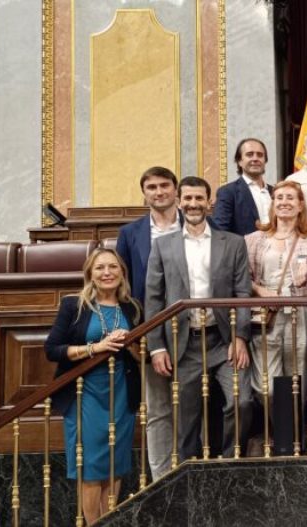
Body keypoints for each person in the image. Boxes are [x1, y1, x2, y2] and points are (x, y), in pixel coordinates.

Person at [145, 176, 253, 461]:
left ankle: (230, 463)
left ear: (209, 203)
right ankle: (190, 475)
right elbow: (153, 299)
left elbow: (243, 293)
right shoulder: (163, 246)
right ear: (179, 203)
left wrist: (240, 337)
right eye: (188, 199)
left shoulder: (232, 242)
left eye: (199, 199)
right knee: (186, 421)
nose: (193, 204)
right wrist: (156, 347)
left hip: (223, 340)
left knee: (241, 401)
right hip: (183, 345)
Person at [244, 181, 307, 453]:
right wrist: (260, 290)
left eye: (291, 198)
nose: (285, 202)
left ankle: (288, 442)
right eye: (279, 198)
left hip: (300, 316)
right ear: (272, 204)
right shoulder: (253, 239)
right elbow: (243, 276)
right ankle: (282, 431)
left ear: (301, 205)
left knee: (296, 379)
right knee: (264, 384)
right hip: (266, 316)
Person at [45, 248, 140, 525]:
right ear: (90, 274)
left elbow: (142, 356)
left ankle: (108, 521)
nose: (107, 273)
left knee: (115, 466)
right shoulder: (73, 305)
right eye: (100, 268)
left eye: (113, 267)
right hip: (84, 393)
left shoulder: (132, 307)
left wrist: (130, 341)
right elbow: (52, 349)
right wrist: (95, 348)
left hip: (121, 392)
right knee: (91, 468)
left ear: (122, 272)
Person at [114, 166, 181, 481]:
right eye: (151, 187)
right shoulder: (131, 234)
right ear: (144, 193)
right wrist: (135, 332)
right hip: (150, 329)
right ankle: (162, 477)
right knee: (157, 408)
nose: (159, 192)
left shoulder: (198, 224)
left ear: (175, 189)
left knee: (198, 403)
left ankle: (194, 466)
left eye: (164, 185)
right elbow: (122, 286)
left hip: (195, 326)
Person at [213, 138, 273, 235]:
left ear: (265, 161)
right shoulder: (228, 192)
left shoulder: (275, 192)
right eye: (249, 154)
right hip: (244, 249)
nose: (255, 158)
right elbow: (220, 232)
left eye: (260, 155)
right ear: (239, 161)